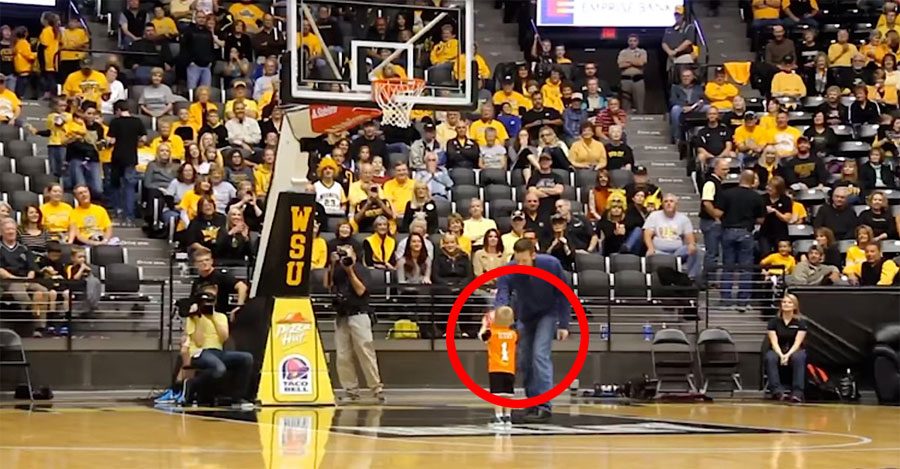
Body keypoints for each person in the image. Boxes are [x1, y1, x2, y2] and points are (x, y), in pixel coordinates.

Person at [494, 239, 569, 423]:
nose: (521, 265)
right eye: (518, 261)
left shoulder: (551, 265)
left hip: (547, 313)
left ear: (533, 255)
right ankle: (532, 402)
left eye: (525, 261)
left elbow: (564, 293)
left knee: (540, 355)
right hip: (526, 315)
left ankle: (544, 405)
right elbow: (502, 291)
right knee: (524, 360)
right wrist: (500, 311)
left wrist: (564, 324)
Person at [325, 243, 385, 401]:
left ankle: (376, 388)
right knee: (343, 355)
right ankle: (351, 390)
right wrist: (331, 264)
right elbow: (328, 284)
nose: (344, 255)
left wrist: (350, 271)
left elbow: (360, 290)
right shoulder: (337, 270)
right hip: (342, 314)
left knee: (365, 351)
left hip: (359, 313)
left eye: (347, 252)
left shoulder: (361, 269)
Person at [180, 290, 255, 407]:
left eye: (209, 302)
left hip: (218, 351)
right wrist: (199, 317)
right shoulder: (193, 318)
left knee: (247, 358)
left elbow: (224, 337)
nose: (207, 305)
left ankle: (238, 397)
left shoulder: (221, 317)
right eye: (204, 303)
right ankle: (192, 383)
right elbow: (199, 341)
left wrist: (213, 317)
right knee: (219, 369)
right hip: (200, 352)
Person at [717, 171, 766, 307]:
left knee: (728, 267)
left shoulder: (727, 194)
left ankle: (726, 300)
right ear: (752, 181)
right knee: (745, 268)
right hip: (746, 232)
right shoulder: (757, 197)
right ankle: (743, 301)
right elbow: (761, 219)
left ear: (740, 179)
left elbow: (720, 213)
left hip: (728, 231)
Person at [0, 219, 49, 336]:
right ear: (1, 232)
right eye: (7, 229)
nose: (11, 232)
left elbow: (32, 267)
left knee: (43, 291)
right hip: (8, 280)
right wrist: (15, 279)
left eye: (13, 229)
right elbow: (0, 270)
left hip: (27, 279)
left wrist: (28, 279)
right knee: (21, 292)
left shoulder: (25, 249)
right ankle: (33, 315)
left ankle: (40, 328)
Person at [643, 194, 701, 278]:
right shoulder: (654, 216)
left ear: (676, 204)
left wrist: (692, 244)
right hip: (659, 251)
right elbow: (647, 234)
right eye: (666, 201)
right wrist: (650, 248)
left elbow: (689, 235)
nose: (668, 203)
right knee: (649, 254)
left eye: (671, 201)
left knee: (695, 250)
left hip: (677, 252)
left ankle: (690, 278)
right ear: (662, 204)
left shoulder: (683, 218)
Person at [107, 100, 147, 223]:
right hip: (131, 158)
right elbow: (144, 138)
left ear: (118, 110)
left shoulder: (115, 122)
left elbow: (111, 141)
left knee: (116, 185)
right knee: (129, 187)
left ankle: (118, 211)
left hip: (117, 157)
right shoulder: (137, 121)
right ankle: (129, 215)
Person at [765, 294, 808, 403]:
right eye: (784, 302)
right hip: (778, 349)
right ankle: (777, 391)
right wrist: (781, 355)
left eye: (789, 302)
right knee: (770, 357)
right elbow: (773, 341)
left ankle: (798, 393)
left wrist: (788, 355)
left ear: (794, 306)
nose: (786, 304)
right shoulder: (774, 322)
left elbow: (798, 342)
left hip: (794, 349)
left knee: (799, 357)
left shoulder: (800, 322)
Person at [479, 305, 517, 428]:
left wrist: (485, 325)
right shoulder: (513, 334)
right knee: (508, 394)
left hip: (496, 367)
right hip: (509, 368)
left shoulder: (492, 333)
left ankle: (498, 416)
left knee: (497, 394)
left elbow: (481, 336)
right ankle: (508, 416)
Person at [190, 248, 248, 316]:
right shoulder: (197, 281)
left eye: (207, 260)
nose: (204, 263)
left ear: (212, 261)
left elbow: (242, 287)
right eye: (200, 261)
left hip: (220, 318)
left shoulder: (221, 276)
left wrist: (239, 307)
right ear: (195, 264)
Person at [669, 69, 705, 142]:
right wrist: (684, 106)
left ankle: (706, 135)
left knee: (709, 108)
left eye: (688, 76)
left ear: (692, 77)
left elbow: (702, 99)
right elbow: (673, 100)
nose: (686, 78)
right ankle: (677, 137)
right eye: (684, 76)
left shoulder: (698, 88)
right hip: (682, 108)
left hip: (696, 107)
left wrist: (693, 107)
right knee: (675, 109)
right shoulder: (675, 88)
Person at [759, 176, 793, 255]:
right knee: (765, 254)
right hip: (765, 233)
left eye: (772, 187)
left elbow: (787, 218)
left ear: (778, 189)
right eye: (768, 186)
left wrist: (775, 211)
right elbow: (758, 218)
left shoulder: (786, 200)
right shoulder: (762, 199)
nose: (768, 188)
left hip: (780, 233)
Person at [618, 34, 647, 114]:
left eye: (634, 41)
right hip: (626, 80)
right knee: (625, 104)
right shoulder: (623, 52)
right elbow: (621, 65)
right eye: (630, 41)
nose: (632, 43)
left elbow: (641, 63)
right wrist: (635, 61)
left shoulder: (642, 51)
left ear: (637, 42)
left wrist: (628, 61)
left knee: (639, 104)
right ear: (628, 42)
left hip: (638, 80)